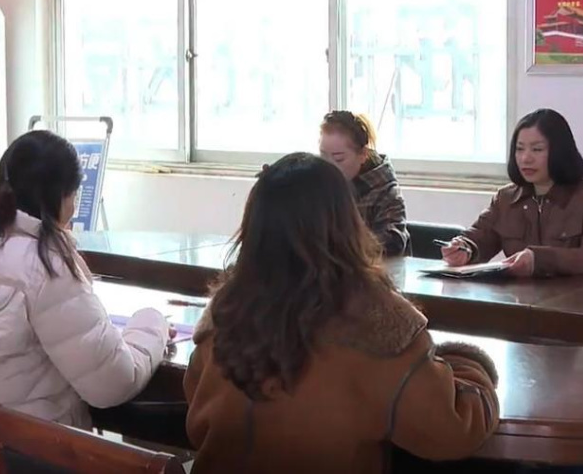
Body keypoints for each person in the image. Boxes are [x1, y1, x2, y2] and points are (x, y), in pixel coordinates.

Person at [185, 153, 499, 474]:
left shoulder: (224, 315)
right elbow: (452, 431)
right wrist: (468, 363)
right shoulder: (379, 325)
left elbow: (198, 417)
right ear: (347, 223)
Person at [0, 130, 170, 474]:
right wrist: (152, 324)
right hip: (11, 460)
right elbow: (112, 383)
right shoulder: (46, 265)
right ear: (63, 196)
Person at [442, 108, 583, 277]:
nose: (525, 158)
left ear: (560, 152)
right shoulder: (506, 199)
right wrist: (464, 249)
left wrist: (539, 259)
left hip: (575, 296)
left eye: (537, 149)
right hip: (518, 295)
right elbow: (479, 237)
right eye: (520, 149)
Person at [319, 110, 410, 255]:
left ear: (362, 155)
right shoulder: (318, 185)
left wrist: (340, 246)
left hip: (374, 267)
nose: (329, 166)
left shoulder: (386, 192)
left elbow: (393, 241)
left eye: (338, 159)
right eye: (323, 156)